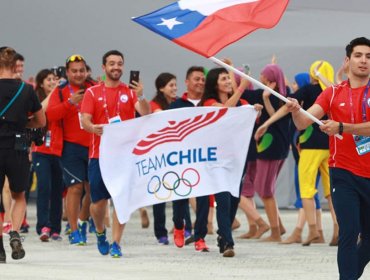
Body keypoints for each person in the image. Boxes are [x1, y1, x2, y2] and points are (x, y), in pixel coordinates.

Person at [286, 37, 370, 280]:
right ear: (347, 61)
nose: (363, 60)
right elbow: (304, 122)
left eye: (368, 56)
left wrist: (343, 127)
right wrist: (296, 111)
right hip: (343, 172)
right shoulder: (333, 93)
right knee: (349, 231)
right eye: (358, 55)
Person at [81, 50, 150, 258]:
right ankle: (101, 232)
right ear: (104, 67)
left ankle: (117, 243)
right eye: (112, 64)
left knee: (121, 199)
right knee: (98, 203)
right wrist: (92, 128)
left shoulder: (129, 92)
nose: (116, 67)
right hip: (99, 155)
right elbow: (85, 120)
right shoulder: (92, 92)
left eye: (120, 64)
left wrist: (141, 96)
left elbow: (145, 113)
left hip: (125, 156)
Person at [0, 47, 45, 262]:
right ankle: (15, 231)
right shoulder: (26, 90)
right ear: (14, 65)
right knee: (19, 194)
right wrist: (22, 123)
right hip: (18, 146)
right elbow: (41, 121)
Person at [46, 54, 94, 245]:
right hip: (70, 147)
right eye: (74, 71)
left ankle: (82, 222)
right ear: (67, 72)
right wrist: (70, 102)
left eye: (81, 70)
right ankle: (74, 230)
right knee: (75, 188)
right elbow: (50, 115)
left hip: (93, 145)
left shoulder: (94, 89)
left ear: (86, 71)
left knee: (93, 189)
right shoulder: (60, 91)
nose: (78, 74)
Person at [242, 64, 290, 242]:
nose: (259, 76)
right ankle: (280, 227)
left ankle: (275, 232)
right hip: (270, 147)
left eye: (263, 74)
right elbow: (243, 93)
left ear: (269, 78)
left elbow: (277, 118)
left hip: (273, 148)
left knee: (265, 191)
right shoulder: (263, 93)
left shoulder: (284, 96)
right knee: (266, 189)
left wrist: (266, 99)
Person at [169, 66, 210, 252]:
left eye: (203, 79)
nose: (200, 82)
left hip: (203, 157)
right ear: (187, 82)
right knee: (180, 196)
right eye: (196, 79)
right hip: (181, 158)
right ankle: (179, 226)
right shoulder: (176, 105)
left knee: (203, 199)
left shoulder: (210, 103)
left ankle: (200, 237)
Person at [32, 69, 65, 242]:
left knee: (57, 190)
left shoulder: (62, 96)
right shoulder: (37, 99)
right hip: (41, 151)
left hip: (59, 151)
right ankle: (43, 226)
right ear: (41, 83)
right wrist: (54, 91)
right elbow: (40, 111)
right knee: (44, 187)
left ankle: (55, 228)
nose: (53, 82)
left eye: (55, 79)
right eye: (49, 79)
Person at [150, 72, 177, 245]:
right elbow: (163, 119)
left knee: (181, 191)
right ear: (161, 88)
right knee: (160, 194)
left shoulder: (179, 102)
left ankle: (183, 226)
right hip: (158, 154)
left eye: (175, 85)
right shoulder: (154, 104)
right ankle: (161, 232)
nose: (174, 88)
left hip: (176, 154)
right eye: (170, 85)